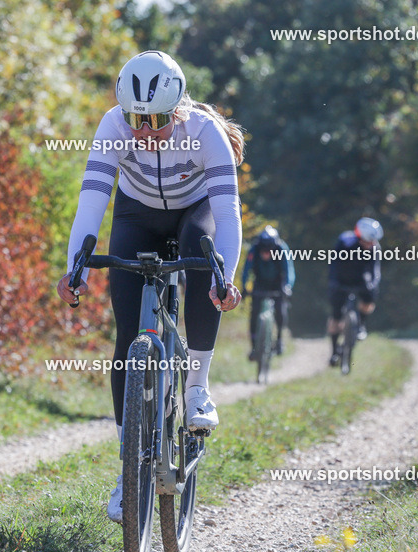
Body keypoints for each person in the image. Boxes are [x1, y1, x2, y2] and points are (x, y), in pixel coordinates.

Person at [55, 50, 244, 523]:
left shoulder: (205, 132)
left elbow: (227, 216)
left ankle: (197, 387)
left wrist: (228, 277)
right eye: (135, 118)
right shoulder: (113, 125)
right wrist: (75, 265)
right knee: (125, 336)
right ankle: (129, 469)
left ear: (178, 108)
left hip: (192, 210)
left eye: (156, 119)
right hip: (137, 214)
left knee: (204, 253)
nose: (143, 130)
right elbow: (92, 201)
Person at [328, 217, 382, 366]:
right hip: (341, 280)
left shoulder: (374, 247)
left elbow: (375, 270)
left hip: (361, 279)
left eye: (374, 242)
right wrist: (333, 282)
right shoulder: (344, 242)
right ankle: (334, 351)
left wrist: (373, 284)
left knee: (370, 296)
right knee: (336, 315)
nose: (372, 245)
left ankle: (361, 325)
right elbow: (333, 264)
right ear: (360, 237)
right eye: (368, 241)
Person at [241, 225, 294, 358]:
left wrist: (288, 287)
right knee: (254, 314)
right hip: (260, 283)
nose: (265, 253)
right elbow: (246, 270)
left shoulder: (281, 248)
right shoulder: (254, 249)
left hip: (278, 284)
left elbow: (289, 270)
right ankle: (254, 347)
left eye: (268, 250)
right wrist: (244, 287)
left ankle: (280, 340)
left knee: (280, 310)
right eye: (263, 250)